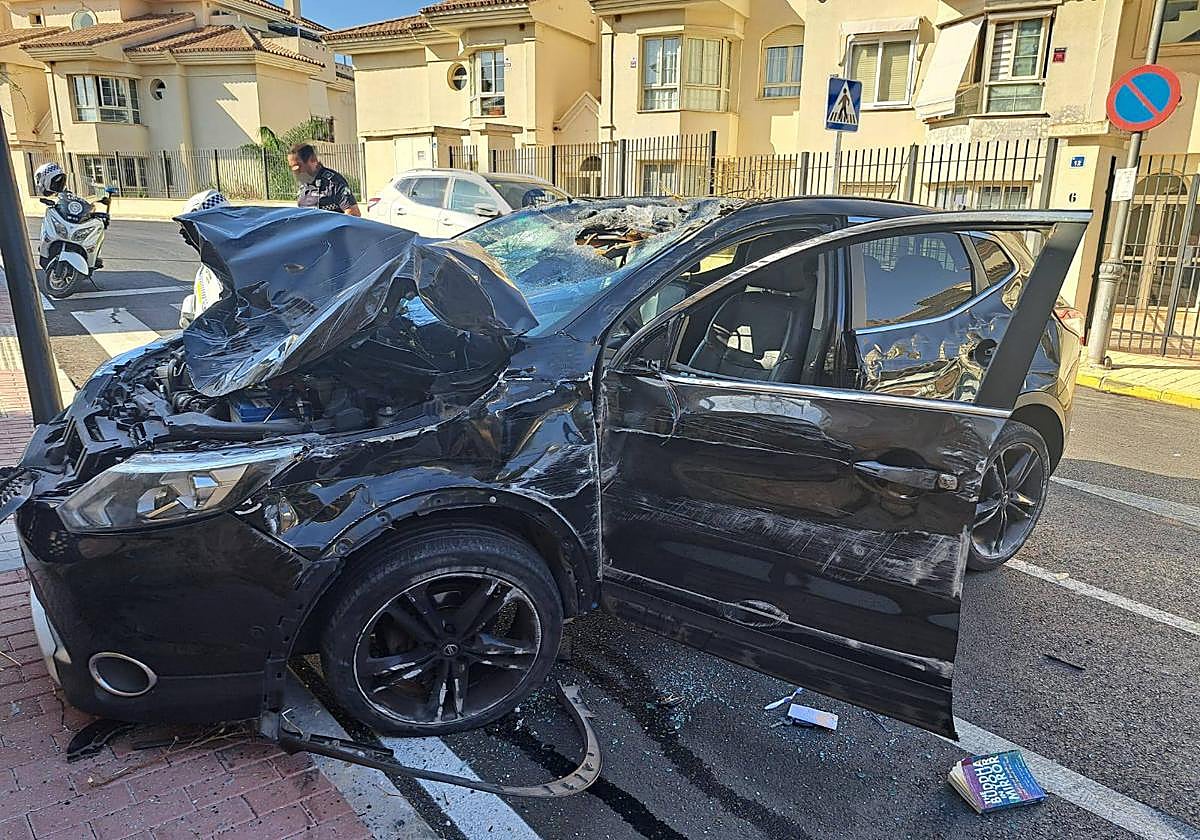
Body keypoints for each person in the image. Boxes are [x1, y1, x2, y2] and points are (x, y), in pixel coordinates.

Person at [288, 143, 360, 216]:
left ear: (313, 159)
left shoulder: (334, 183)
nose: (295, 171)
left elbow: (353, 213)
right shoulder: (303, 184)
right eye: (292, 167)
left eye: (298, 166)